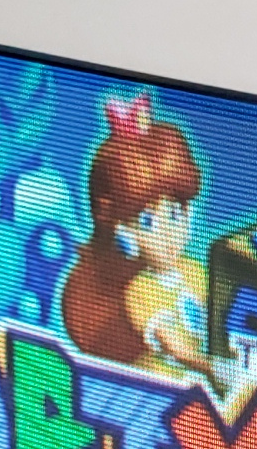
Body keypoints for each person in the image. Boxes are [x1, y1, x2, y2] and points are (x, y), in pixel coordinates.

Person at [61, 94, 212, 378]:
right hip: (160, 395)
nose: (168, 233)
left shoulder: (195, 271)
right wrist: (220, 370)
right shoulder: (141, 291)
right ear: (123, 230)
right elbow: (177, 349)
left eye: (175, 214)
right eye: (147, 221)